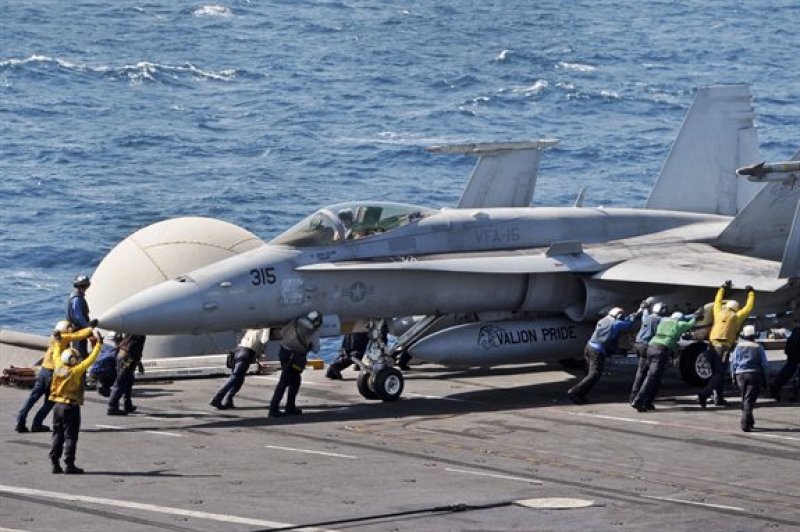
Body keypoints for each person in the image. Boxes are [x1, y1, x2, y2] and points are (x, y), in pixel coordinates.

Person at [15, 320, 94, 433]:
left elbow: (74, 334)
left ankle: (20, 421)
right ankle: (37, 423)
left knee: (32, 398)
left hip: (43, 371)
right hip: (54, 373)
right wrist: (91, 327)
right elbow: (78, 335)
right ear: (67, 329)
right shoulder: (64, 337)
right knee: (50, 401)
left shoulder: (54, 337)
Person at [49, 331, 103, 474]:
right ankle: (69, 464)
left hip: (57, 406)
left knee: (57, 434)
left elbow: (56, 351)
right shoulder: (75, 371)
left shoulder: (58, 364)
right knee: (70, 436)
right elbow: (90, 360)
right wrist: (99, 344)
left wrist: (57, 340)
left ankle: (55, 463)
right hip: (70, 407)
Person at [698, 280, 755, 408]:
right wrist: (751, 293)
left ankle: (718, 398)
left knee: (716, 373)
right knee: (719, 374)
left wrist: (722, 288)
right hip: (722, 348)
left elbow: (717, 300)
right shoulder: (737, 316)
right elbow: (748, 307)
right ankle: (704, 394)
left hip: (711, 345)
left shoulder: (718, 312)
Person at [567, 306, 640, 404]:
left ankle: (581, 392)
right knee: (594, 374)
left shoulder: (604, 320)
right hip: (597, 351)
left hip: (589, 347)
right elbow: (628, 324)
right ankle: (575, 392)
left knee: (590, 374)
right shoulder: (616, 324)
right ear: (618, 316)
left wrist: (633, 315)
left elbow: (622, 322)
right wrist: (637, 315)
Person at [631, 309, 700, 412]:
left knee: (655, 377)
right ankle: (639, 400)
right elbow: (690, 324)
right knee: (652, 376)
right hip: (661, 350)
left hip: (651, 347)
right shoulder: (679, 324)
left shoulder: (663, 322)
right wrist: (695, 317)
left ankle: (647, 402)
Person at [268, 310, 323, 417]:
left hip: (283, 352)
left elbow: (282, 332)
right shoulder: (312, 332)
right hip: (294, 357)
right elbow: (316, 349)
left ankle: (290, 406)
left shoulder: (296, 322)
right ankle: (273, 409)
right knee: (284, 382)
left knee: (295, 381)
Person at [210, 328, 270, 409]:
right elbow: (264, 340)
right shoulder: (265, 328)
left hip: (237, 351)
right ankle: (217, 398)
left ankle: (228, 400)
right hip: (246, 353)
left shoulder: (253, 326)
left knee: (238, 379)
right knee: (235, 377)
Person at [730, 325, 769, 432]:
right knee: (749, 399)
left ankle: (750, 421)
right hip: (754, 375)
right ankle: (745, 423)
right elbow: (764, 364)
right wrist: (766, 378)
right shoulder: (758, 347)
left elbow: (733, 363)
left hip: (740, 375)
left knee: (745, 398)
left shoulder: (738, 347)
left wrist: (733, 376)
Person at [629, 298, 664, 404]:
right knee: (647, 373)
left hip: (638, 344)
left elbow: (644, 312)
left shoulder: (647, 317)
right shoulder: (659, 320)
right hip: (646, 346)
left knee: (641, 371)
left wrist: (644, 307)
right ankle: (637, 397)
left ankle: (634, 396)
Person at [107, 334, 146, 416]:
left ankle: (127, 405)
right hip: (128, 358)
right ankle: (112, 406)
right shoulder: (139, 332)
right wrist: (135, 362)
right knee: (121, 380)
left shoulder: (135, 329)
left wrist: (137, 362)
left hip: (125, 356)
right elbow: (133, 348)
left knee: (128, 380)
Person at [769, 321, 800, 402]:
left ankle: (776, 387)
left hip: (792, 349)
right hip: (795, 349)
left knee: (789, 370)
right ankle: (793, 392)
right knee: (793, 371)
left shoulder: (795, 333)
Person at [67, 275, 93, 358]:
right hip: (78, 330)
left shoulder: (76, 296)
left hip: (79, 329)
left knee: (80, 350)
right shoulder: (77, 299)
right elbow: (78, 317)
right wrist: (88, 327)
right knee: (79, 352)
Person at [89, 332, 121, 397]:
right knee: (120, 372)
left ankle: (100, 383)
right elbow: (123, 363)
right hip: (104, 372)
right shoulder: (117, 350)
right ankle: (106, 387)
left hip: (93, 371)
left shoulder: (104, 345)